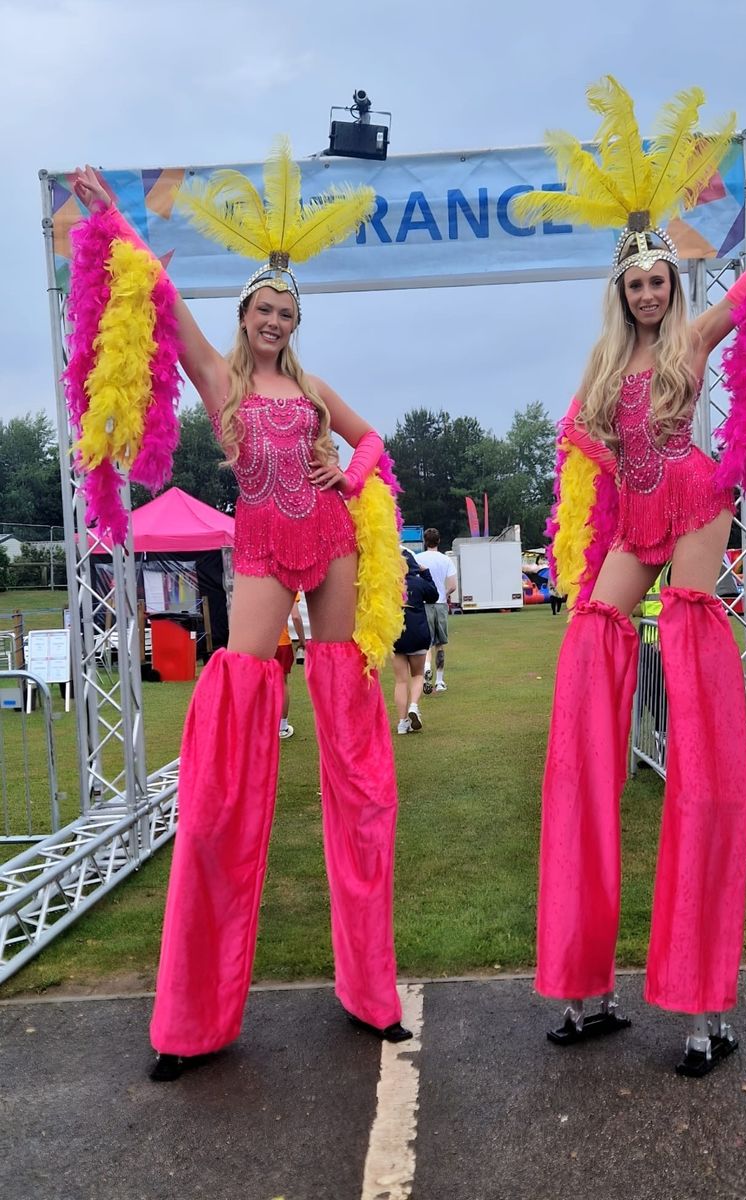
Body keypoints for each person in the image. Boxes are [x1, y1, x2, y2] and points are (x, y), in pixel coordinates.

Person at [515, 76, 746, 1075]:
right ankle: (587, 991)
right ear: (618, 293)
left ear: (674, 288)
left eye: (659, 280)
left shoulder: (690, 337)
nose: (648, 292)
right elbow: (580, 451)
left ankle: (704, 1009)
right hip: (632, 520)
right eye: (634, 283)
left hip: (695, 507)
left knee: (700, 707)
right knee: (590, 666)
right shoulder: (599, 371)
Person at [71, 148, 412, 1083]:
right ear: (246, 316)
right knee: (228, 763)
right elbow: (160, 301)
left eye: (286, 313)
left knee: (354, 755)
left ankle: (372, 993)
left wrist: (347, 471)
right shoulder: (219, 382)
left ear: (296, 322)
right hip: (262, 552)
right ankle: (192, 1017)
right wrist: (110, 211)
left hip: (332, 544)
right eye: (264, 310)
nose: (274, 321)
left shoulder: (308, 392)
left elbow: (373, 436)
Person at [392, 551, 438, 734]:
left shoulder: (389, 584)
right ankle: (413, 706)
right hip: (418, 633)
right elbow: (434, 595)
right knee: (417, 675)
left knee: (400, 681)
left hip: (396, 634)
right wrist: (425, 573)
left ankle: (402, 723)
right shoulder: (419, 583)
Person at [416, 528, 456, 693]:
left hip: (423, 604)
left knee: (426, 644)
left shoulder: (417, 558)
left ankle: (426, 668)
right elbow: (453, 586)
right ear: (438, 541)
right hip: (439, 604)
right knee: (439, 644)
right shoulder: (446, 560)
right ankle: (439, 681)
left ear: (425, 542)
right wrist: (444, 594)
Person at [274, 593, 306, 739]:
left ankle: (261, 724)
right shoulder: (288, 584)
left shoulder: (258, 580)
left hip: (260, 642)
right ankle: (282, 727)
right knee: (282, 682)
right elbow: (296, 617)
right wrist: (302, 642)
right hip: (280, 642)